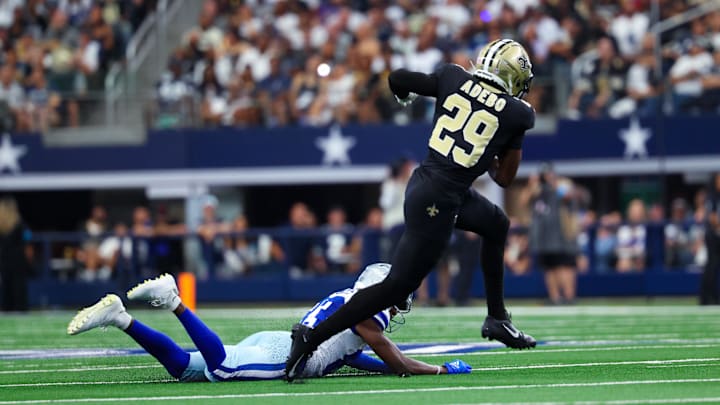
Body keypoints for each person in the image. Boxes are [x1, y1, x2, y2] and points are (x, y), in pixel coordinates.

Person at [286, 38, 537, 381]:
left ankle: (497, 318)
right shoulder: (519, 113)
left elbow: (398, 77)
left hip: (428, 184)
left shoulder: (453, 76)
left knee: (496, 224)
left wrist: (403, 97)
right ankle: (311, 336)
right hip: (441, 199)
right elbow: (505, 178)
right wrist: (495, 146)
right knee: (396, 286)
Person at [67, 264, 472, 381]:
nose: (401, 302)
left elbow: (354, 357)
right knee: (221, 366)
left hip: (281, 340)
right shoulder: (370, 313)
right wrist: (438, 368)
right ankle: (174, 301)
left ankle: (121, 318)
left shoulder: (349, 301)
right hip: (286, 355)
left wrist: (386, 366)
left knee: (188, 369)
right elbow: (395, 360)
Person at [520, 163, 580, 305]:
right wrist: (532, 184)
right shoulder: (537, 190)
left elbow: (568, 196)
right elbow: (523, 202)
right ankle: (555, 298)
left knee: (564, 265)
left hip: (562, 235)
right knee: (549, 267)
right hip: (543, 237)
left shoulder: (562, 184)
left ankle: (569, 297)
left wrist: (553, 183)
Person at [0, 197, 31, 311]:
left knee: (7, 287)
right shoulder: (19, 223)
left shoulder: (3, 225)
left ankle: (7, 308)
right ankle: (20, 308)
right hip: (18, 259)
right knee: (18, 287)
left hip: (5, 259)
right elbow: (27, 238)